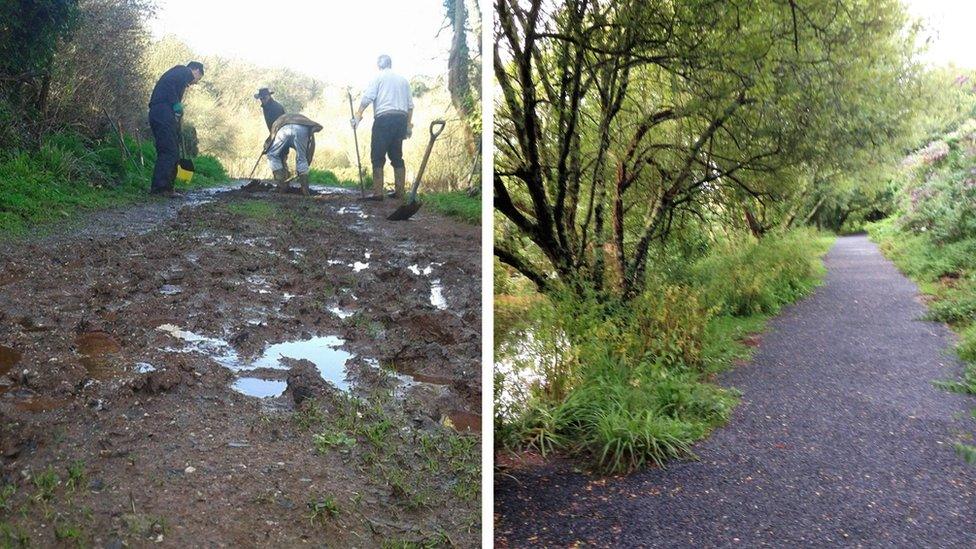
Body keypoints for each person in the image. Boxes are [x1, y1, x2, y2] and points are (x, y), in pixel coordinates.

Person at [352, 54, 413, 200]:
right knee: (397, 155)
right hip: (401, 119)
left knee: (377, 155)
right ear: (390, 64)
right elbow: (410, 106)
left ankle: (378, 193)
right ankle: (400, 192)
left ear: (379, 65)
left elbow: (368, 97)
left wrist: (358, 115)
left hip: (384, 119)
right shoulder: (403, 80)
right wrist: (408, 125)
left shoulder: (378, 78)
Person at [148, 61, 204, 196]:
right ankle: (162, 189)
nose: (194, 83)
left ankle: (163, 187)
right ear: (195, 70)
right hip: (163, 112)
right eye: (198, 78)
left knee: (167, 150)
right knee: (170, 151)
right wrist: (176, 104)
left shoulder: (177, 75)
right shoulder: (183, 71)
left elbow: (169, 86)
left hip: (159, 112)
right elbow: (168, 85)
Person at [266, 113, 323, 195]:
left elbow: (271, 139)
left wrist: (267, 148)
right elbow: (309, 152)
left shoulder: (279, 122)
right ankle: (305, 189)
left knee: (272, 155)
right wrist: (305, 168)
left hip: (283, 129)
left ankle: (282, 186)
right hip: (301, 129)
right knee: (302, 158)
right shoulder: (306, 125)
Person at [254, 88, 289, 170]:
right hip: (276, 135)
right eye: (261, 98)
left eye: (264, 98)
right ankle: (282, 179)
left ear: (269, 96)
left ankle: (282, 179)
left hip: (282, 135)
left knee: (279, 157)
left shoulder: (275, 108)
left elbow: (278, 127)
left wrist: (269, 140)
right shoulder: (266, 107)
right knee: (279, 158)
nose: (262, 100)